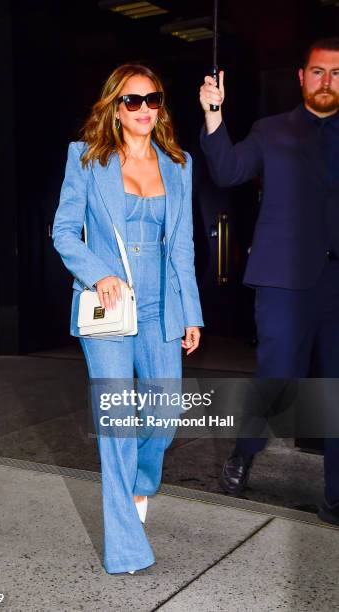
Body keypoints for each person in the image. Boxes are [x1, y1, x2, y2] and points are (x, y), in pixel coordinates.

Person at [53, 64, 203, 573]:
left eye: (152, 99)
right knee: (117, 422)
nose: (143, 109)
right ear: (115, 107)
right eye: (132, 100)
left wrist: (192, 315)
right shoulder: (87, 158)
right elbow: (65, 232)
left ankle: (142, 483)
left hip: (163, 305)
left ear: (161, 105)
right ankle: (126, 549)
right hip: (111, 307)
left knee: (164, 417)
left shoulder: (178, 164)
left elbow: (182, 248)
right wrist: (99, 274)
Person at [199, 37, 339, 526]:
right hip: (283, 282)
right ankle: (244, 450)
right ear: (301, 77)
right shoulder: (270, 130)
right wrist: (214, 116)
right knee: (276, 381)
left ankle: (336, 494)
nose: (327, 81)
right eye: (318, 72)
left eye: (337, 73)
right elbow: (228, 169)